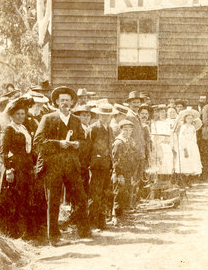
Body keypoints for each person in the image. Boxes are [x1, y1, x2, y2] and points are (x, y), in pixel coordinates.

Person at [34, 86, 89, 244]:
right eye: (62, 100)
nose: (65, 103)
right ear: (57, 102)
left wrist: (78, 144)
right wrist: (59, 143)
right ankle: (54, 236)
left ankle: (84, 231)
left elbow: (85, 143)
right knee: (53, 201)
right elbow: (38, 142)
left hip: (71, 166)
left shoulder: (76, 120)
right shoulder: (48, 118)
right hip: (53, 167)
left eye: (67, 100)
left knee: (80, 197)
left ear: (72, 102)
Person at [0, 97, 36, 239]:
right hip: (13, 169)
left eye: (23, 114)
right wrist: (8, 169)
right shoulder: (8, 129)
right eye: (17, 114)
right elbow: (3, 151)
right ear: (12, 115)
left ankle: (22, 231)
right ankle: (10, 231)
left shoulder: (24, 128)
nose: (20, 117)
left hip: (25, 168)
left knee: (23, 198)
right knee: (12, 199)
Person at [87, 101, 115, 229]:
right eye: (103, 115)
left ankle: (101, 220)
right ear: (99, 116)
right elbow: (87, 147)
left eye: (108, 116)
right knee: (95, 193)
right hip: (96, 166)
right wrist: (92, 161)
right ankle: (93, 221)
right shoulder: (93, 128)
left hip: (107, 165)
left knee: (105, 193)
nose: (106, 118)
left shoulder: (109, 128)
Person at [112, 119, 141, 220]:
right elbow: (116, 160)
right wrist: (119, 175)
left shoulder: (130, 141)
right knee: (118, 193)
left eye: (130, 130)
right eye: (125, 130)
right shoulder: (118, 143)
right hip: (120, 173)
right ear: (121, 130)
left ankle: (122, 214)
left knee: (125, 193)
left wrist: (132, 174)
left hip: (129, 172)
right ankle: (115, 216)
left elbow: (133, 157)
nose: (128, 132)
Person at [173, 106, 203, 186]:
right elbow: (181, 138)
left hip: (192, 146)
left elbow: (194, 137)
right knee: (185, 163)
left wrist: (194, 146)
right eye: (188, 118)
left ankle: (189, 180)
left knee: (192, 163)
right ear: (185, 119)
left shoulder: (193, 127)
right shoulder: (183, 127)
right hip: (185, 146)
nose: (189, 120)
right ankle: (183, 181)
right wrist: (184, 148)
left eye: (191, 118)